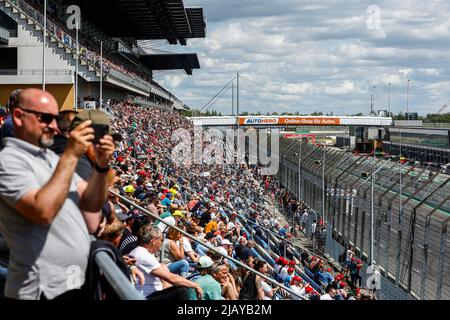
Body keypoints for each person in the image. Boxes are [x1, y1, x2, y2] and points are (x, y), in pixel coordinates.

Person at [0, 89, 115, 300]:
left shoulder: (52, 160)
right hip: (37, 289)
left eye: (55, 119)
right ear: (18, 116)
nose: (54, 126)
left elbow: (91, 204)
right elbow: (42, 211)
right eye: (45, 118)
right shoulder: (8, 161)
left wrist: (100, 167)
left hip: (68, 284)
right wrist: (71, 154)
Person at [130, 225, 203, 300]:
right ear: (154, 241)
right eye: (161, 240)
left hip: (149, 293)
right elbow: (172, 278)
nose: (161, 244)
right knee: (181, 290)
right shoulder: (145, 256)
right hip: (146, 296)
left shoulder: (139, 251)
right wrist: (195, 285)